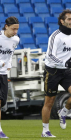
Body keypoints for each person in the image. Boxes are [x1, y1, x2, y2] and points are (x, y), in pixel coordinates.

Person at [41, 9, 71, 137]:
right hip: (52, 71)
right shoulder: (56, 36)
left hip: (66, 71)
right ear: (62, 21)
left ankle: (64, 111)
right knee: (49, 102)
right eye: (69, 19)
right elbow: (50, 56)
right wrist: (65, 63)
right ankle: (45, 131)